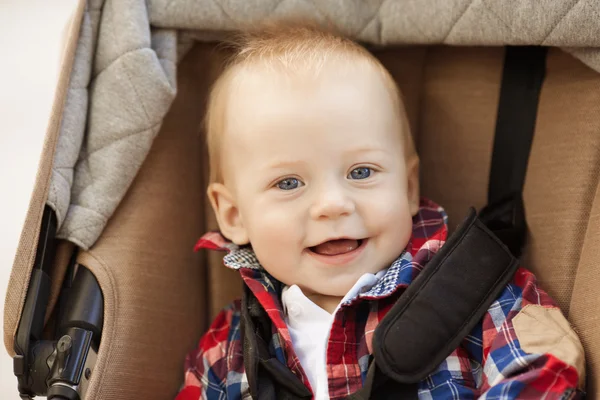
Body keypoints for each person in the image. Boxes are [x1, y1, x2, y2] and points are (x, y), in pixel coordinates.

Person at [176, 22, 585, 400]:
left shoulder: (471, 294)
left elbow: (542, 367)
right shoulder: (228, 346)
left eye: (361, 172)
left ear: (408, 188)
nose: (334, 204)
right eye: (289, 183)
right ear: (234, 216)